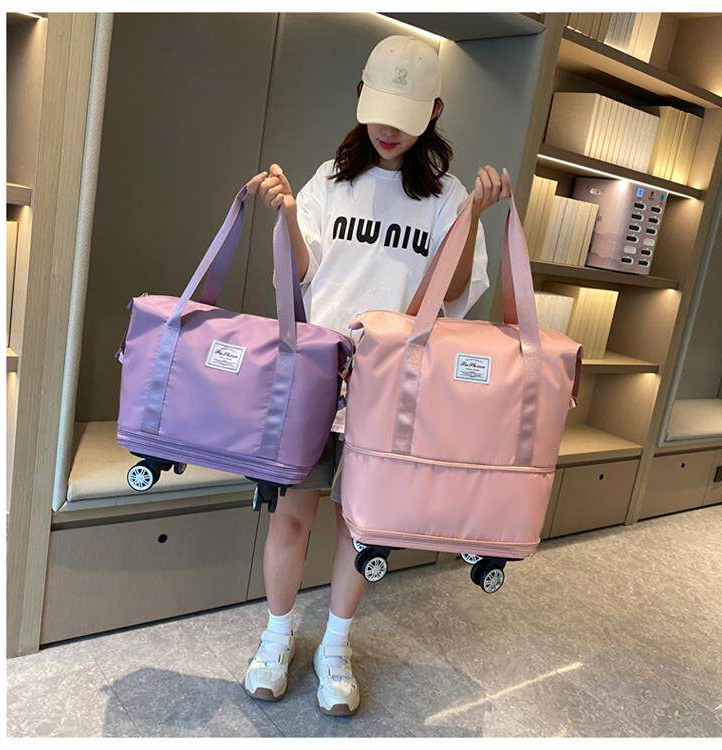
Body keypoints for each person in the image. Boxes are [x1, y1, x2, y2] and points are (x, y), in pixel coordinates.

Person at [243, 34, 511, 717]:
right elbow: (304, 274)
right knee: (291, 516)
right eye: (378, 111)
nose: (388, 129)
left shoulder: (448, 198)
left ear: (435, 111)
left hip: (390, 384)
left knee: (360, 525)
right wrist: (288, 215)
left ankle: (334, 647)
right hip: (317, 372)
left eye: (406, 116)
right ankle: (276, 638)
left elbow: (451, 295)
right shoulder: (330, 180)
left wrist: (472, 218)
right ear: (360, 97)